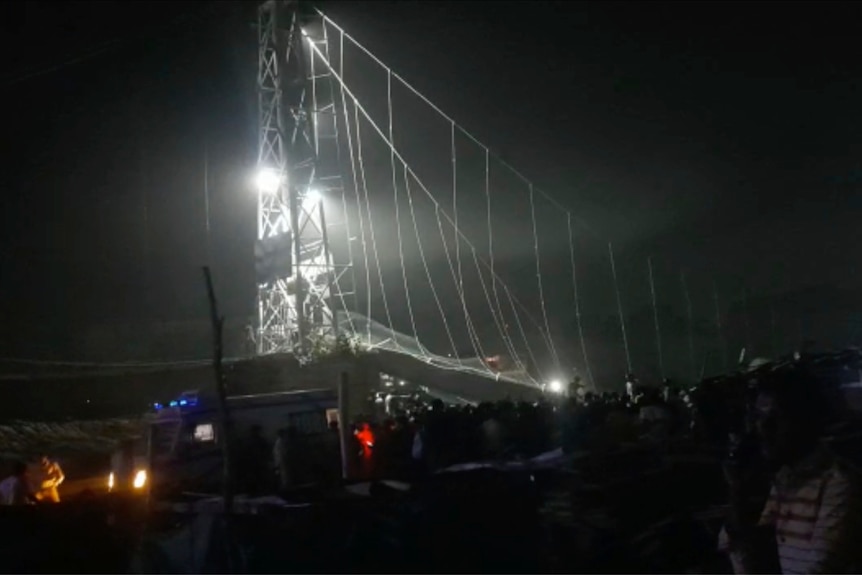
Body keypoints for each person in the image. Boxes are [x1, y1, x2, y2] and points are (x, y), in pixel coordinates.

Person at [718, 369, 862, 573]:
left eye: (777, 418)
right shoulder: (783, 480)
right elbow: (741, 561)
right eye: (759, 417)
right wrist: (738, 494)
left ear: (806, 420)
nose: (763, 428)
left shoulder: (838, 484)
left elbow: (817, 569)